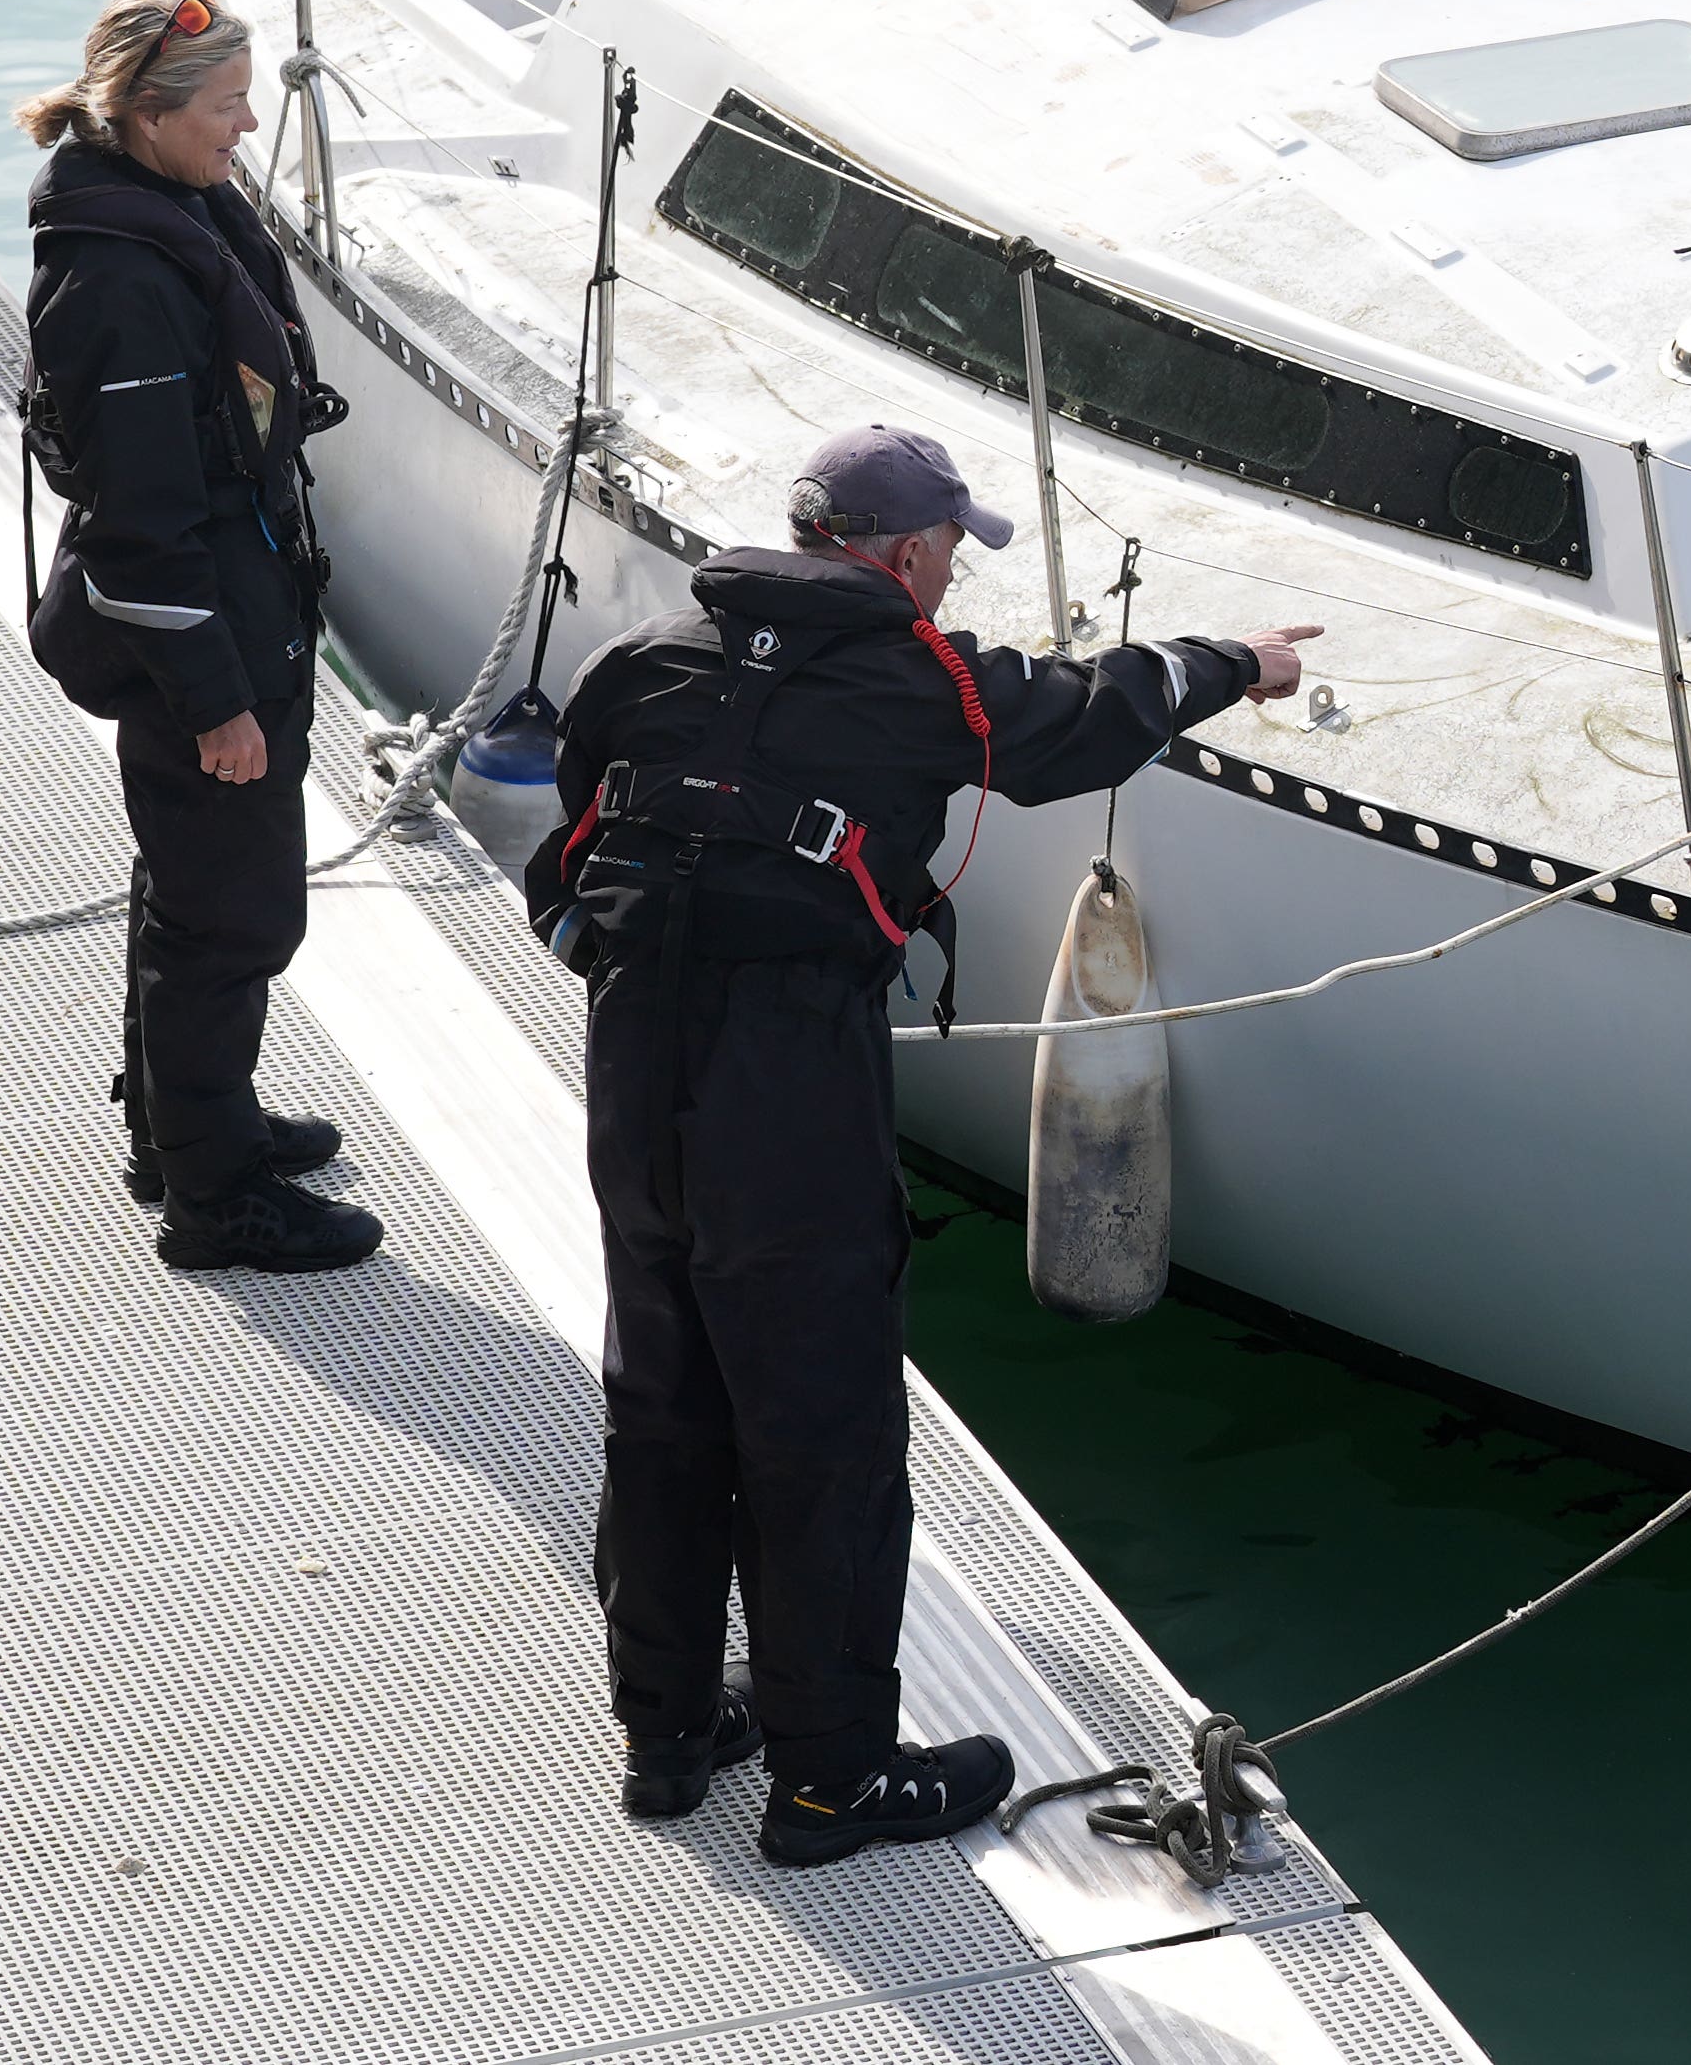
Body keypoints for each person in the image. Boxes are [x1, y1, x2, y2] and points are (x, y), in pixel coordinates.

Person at [524, 427, 1319, 1866]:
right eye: (953, 548)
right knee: (817, 1430)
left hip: (634, 1068)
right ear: (901, 554)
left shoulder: (639, 659)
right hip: (786, 1082)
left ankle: (669, 1727)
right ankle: (829, 1779)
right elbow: (1084, 716)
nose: (956, 573)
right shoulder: (917, 680)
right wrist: (1236, 662)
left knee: (664, 1398)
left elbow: (572, 836)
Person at [15, 0, 379, 1277]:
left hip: (244, 610)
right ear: (148, 115)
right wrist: (218, 700)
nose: (246, 130)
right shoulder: (120, 289)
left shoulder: (174, 207)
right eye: (225, 109)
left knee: (193, 890)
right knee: (230, 921)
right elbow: (140, 530)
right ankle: (217, 1204)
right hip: (202, 650)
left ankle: (177, 1129)